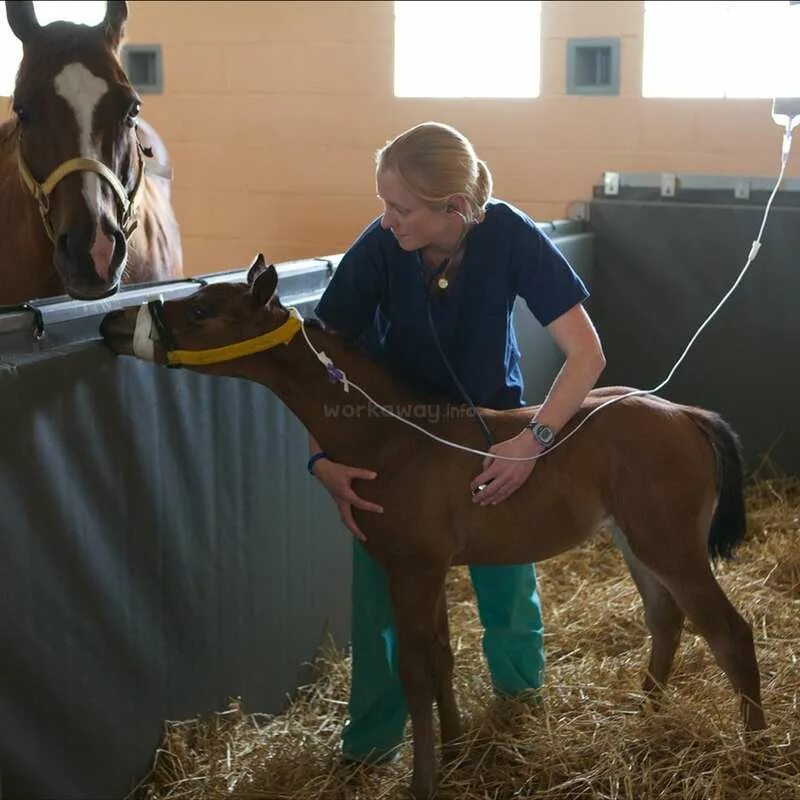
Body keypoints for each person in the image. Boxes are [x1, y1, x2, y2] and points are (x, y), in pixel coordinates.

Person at [307, 121, 606, 763]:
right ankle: (370, 746)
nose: (387, 220)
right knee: (382, 601)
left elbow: (587, 354)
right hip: (397, 449)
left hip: (488, 435)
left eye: (402, 208)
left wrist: (534, 441)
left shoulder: (510, 236)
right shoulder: (381, 245)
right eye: (383, 204)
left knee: (507, 587)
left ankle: (521, 720)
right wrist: (323, 459)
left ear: (458, 209)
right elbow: (320, 357)